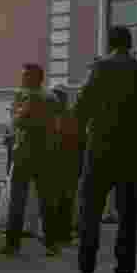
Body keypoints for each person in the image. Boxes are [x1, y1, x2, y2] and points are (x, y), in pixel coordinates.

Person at [72, 26, 137, 273]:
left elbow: (80, 109)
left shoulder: (98, 69)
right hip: (132, 152)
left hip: (99, 149)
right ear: (131, 44)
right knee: (128, 216)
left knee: (89, 212)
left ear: (109, 43)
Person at [1, 63, 61, 257]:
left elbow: (17, 121)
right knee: (46, 200)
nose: (22, 79)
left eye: (25, 76)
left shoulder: (29, 96)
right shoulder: (51, 97)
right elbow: (55, 125)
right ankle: (52, 243)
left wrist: (16, 112)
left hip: (25, 154)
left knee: (18, 200)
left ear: (34, 78)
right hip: (46, 154)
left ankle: (12, 244)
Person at [52, 87, 81, 247]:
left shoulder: (68, 116)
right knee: (60, 199)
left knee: (64, 199)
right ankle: (60, 233)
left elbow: (75, 141)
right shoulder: (57, 116)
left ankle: (62, 233)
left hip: (66, 164)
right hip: (62, 164)